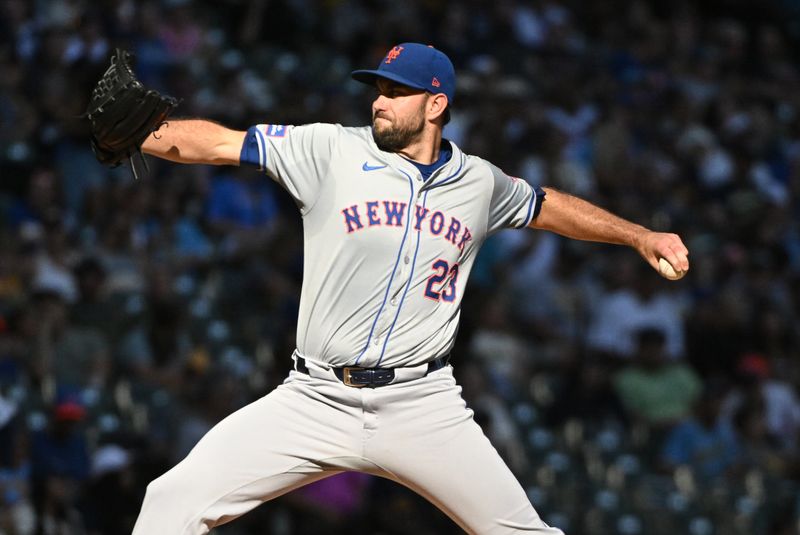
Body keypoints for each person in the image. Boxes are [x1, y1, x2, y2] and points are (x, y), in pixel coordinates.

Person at [129, 43, 689, 534]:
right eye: (378, 89)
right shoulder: (331, 150)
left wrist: (639, 236)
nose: (379, 101)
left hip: (422, 405)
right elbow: (225, 144)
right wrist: (142, 132)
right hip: (314, 397)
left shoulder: (478, 182)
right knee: (171, 501)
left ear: (436, 104)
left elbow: (545, 206)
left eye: (398, 92)